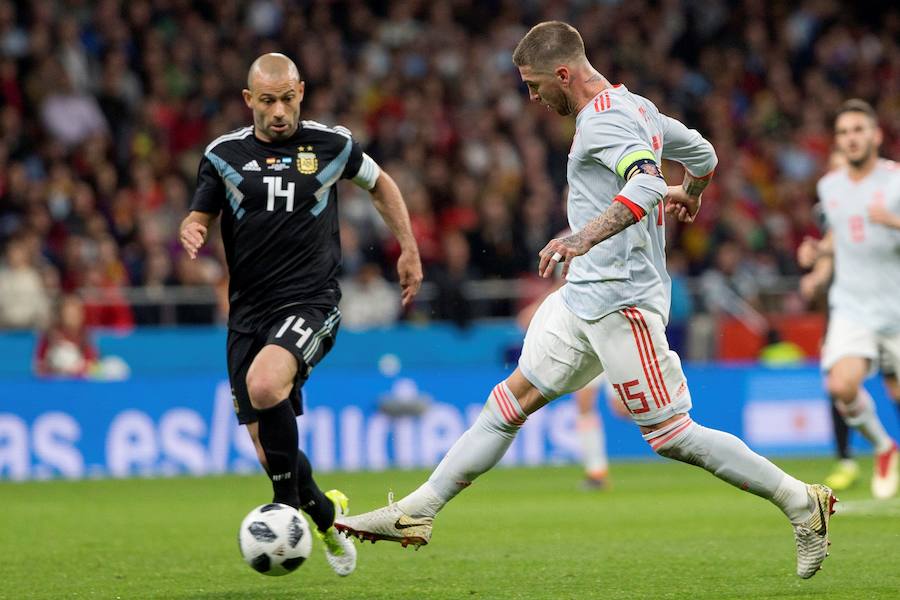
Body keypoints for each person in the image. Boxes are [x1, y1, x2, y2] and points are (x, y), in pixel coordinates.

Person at [335, 22, 835, 580]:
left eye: (533, 85)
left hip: (624, 304)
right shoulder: (636, 107)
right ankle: (419, 511)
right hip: (582, 299)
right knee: (510, 401)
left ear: (563, 75)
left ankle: (801, 502)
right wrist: (690, 194)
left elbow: (644, 185)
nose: (532, 97)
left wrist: (583, 237)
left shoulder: (604, 120)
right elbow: (704, 153)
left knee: (672, 436)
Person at [179, 53, 422, 577]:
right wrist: (193, 228)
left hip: (311, 304)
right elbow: (201, 211)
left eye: (287, 98)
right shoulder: (223, 155)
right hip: (247, 316)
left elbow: (382, 184)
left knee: (266, 386)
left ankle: (284, 512)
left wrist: (408, 248)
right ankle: (328, 518)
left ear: (301, 93)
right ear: (249, 101)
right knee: (272, 452)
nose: (279, 111)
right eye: (267, 100)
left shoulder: (331, 145)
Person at [797, 109, 900, 498]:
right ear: (837, 140)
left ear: (875, 135)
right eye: (843, 131)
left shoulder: (895, 180)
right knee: (841, 384)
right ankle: (884, 446)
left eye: (859, 129)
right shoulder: (830, 187)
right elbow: (841, 236)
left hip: (896, 305)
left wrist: (892, 221)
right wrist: (818, 254)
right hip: (852, 306)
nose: (851, 137)